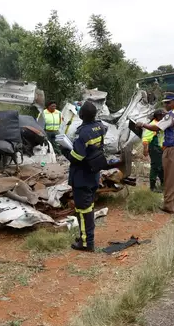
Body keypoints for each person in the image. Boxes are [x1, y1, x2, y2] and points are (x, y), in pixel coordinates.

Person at [61, 101, 106, 252]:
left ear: (81, 115)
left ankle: (87, 243)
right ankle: (84, 237)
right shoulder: (100, 127)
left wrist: (64, 151)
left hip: (82, 176)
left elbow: (77, 157)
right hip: (93, 173)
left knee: (83, 209)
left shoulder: (83, 133)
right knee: (89, 207)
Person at [137, 92, 174, 214]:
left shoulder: (171, 115)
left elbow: (157, 128)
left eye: (168, 102)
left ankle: (168, 205)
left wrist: (143, 125)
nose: (166, 105)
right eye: (165, 103)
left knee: (170, 177)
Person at [142, 109, 165, 192]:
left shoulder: (160, 124)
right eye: (163, 115)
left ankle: (163, 184)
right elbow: (145, 138)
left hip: (160, 148)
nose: (165, 117)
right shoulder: (153, 125)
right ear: (159, 116)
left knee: (161, 167)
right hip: (154, 148)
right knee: (155, 167)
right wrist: (145, 149)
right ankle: (152, 187)